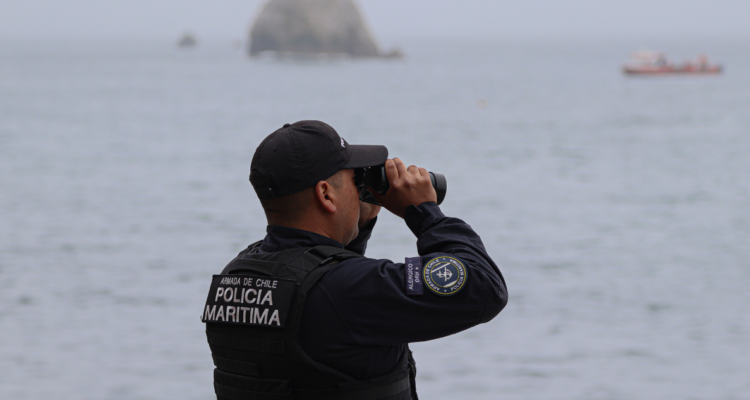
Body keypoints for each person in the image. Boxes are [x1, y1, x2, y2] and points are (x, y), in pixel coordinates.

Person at [201, 120, 508, 400]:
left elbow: (323, 296)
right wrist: (425, 212)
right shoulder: (347, 291)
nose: (360, 189)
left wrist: (357, 229)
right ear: (326, 194)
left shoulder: (238, 273)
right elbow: (482, 287)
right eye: (353, 180)